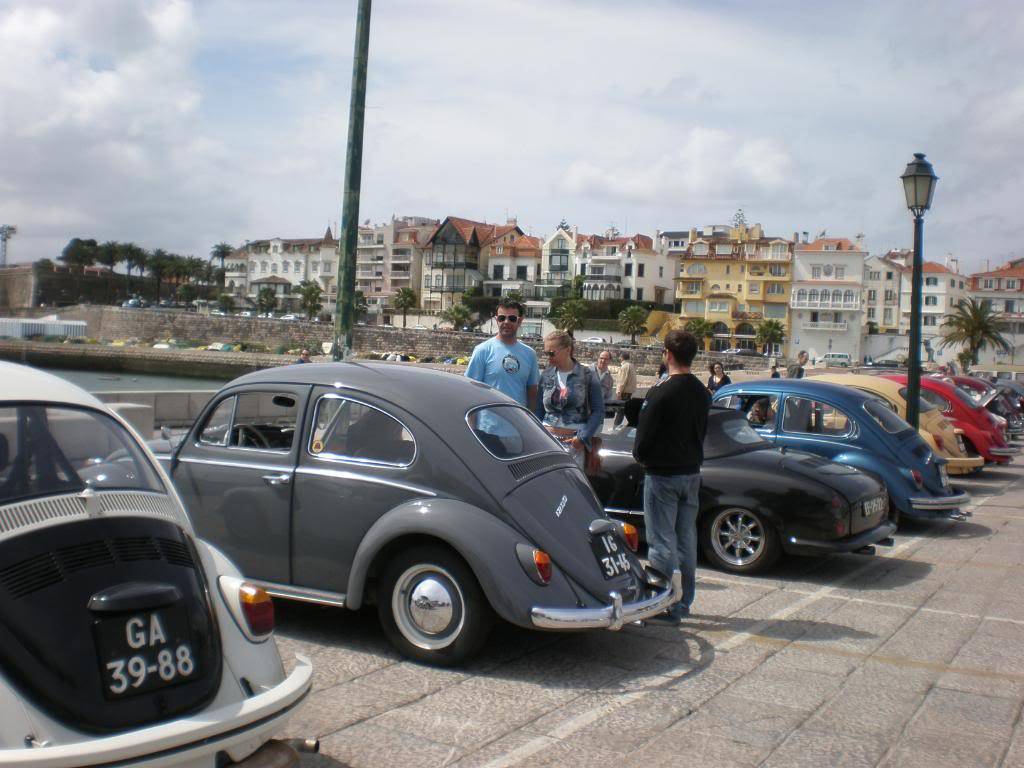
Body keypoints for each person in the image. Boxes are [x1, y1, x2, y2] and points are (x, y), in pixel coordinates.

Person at [634, 330, 710, 624]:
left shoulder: (661, 391)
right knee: (685, 540)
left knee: (661, 542)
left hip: (663, 473)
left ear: (667, 354)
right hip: (691, 471)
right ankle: (683, 603)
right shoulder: (702, 392)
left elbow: (644, 436)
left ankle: (662, 600)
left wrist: (641, 457)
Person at [535, 330, 604, 470]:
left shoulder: (587, 375)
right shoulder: (546, 375)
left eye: (551, 353)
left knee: (570, 486)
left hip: (573, 444)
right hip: (546, 442)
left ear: (567, 349)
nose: (548, 357)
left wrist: (582, 438)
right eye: (545, 353)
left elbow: (599, 411)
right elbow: (539, 410)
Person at [465, 298, 539, 409]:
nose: (506, 322)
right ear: (496, 320)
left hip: (518, 423)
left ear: (520, 321)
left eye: (512, 318)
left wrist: (530, 423)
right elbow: (470, 390)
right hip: (487, 425)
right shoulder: (482, 350)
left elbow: (532, 393)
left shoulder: (530, 354)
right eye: (502, 318)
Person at [612, 351, 637, 427]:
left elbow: (622, 381)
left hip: (624, 393)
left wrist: (619, 393)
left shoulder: (624, 366)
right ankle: (632, 424)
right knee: (625, 410)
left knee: (620, 410)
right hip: (629, 392)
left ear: (621, 358)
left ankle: (615, 426)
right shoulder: (631, 365)